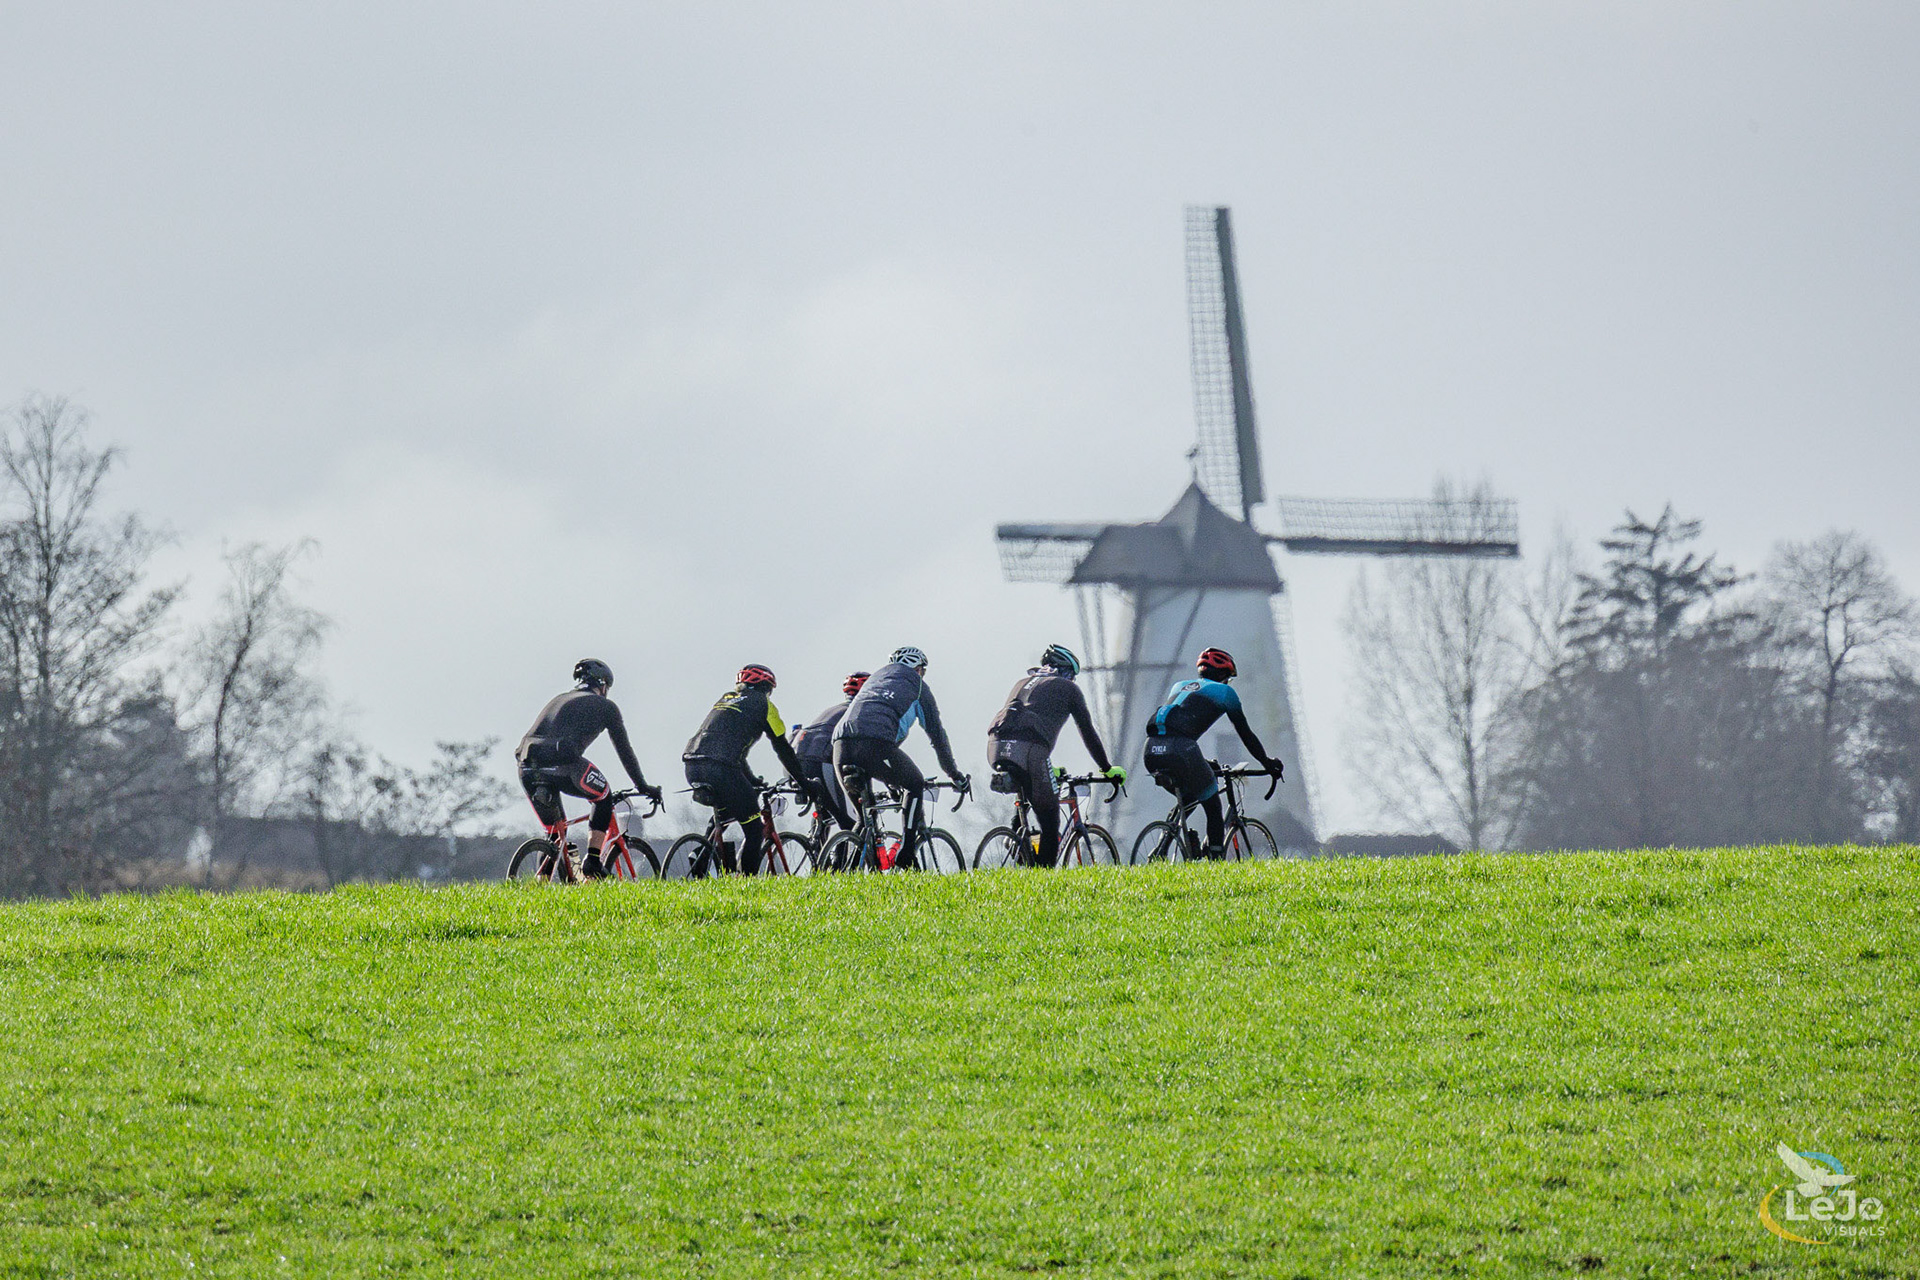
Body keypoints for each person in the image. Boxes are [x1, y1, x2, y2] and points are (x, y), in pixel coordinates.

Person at [516, 658, 662, 880]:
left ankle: (541, 885)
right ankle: (593, 860)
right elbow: (625, 751)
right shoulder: (607, 707)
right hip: (564, 765)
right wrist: (643, 786)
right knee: (603, 795)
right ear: (603, 686)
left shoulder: (560, 698)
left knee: (555, 833)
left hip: (527, 767)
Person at [986, 643, 1126, 866]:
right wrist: (1107, 768)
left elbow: (1020, 726)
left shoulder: (1022, 683)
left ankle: (1016, 839)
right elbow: (1087, 732)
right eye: (1072, 675)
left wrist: (1046, 766)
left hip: (996, 748)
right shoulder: (1068, 689)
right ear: (1065, 670)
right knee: (1050, 823)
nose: (1072, 681)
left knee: (1028, 791)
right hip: (1030, 752)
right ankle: (1043, 880)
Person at [832, 646, 969, 869]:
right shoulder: (918, 687)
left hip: (839, 745)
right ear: (918, 669)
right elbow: (937, 737)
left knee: (863, 818)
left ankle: (840, 874)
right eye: (923, 671)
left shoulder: (876, 679)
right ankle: (906, 854)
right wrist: (955, 775)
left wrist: (890, 778)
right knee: (915, 783)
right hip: (873, 743)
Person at [1142, 647, 1284, 859]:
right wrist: (1266, 762)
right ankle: (1216, 860)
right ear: (1222, 675)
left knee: (1192, 792)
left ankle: (1164, 846)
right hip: (1182, 749)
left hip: (1151, 750)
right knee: (1213, 806)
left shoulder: (1180, 686)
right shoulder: (1225, 693)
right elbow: (1246, 734)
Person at [682, 664, 807, 874]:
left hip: (692, 764)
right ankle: (746, 883)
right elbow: (783, 749)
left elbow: (728, 747)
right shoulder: (765, 705)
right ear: (767, 688)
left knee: (727, 810)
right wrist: (804, 782)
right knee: (754, 829)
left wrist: (752, 780)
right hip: (720, 769)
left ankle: (702, 855)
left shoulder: (726, 699)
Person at [790, 671, 869, 833]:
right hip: (821, 761)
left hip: (795, 760)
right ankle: (839, 859)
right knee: (850, 822)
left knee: (826, 810)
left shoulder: (833, 709)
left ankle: (818, 854)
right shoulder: (860, 710)